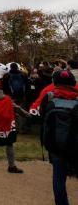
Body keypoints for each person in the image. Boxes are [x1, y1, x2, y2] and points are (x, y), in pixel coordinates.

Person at [39, 70, 78, 205]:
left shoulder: (49, 97)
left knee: (58, 178)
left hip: (55, 143)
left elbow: (42, 116)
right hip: (75, 144)